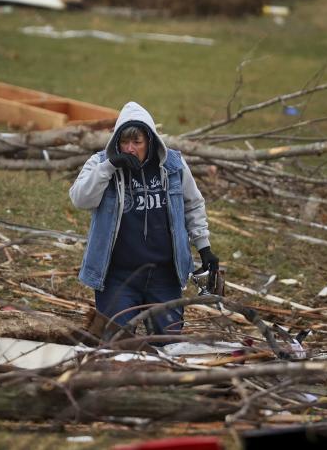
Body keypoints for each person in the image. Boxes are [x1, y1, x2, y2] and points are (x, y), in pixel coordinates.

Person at [70, 101, 217, 338]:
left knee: (167, 341)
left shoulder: (173, 165)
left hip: (164, 275)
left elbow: (193, 204)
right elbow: (80, 199)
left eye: (136, 142)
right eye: (124, 142)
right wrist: (109, 166)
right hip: (117, 276)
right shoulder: (100, 164)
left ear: (149, 141)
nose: (129, 149)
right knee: (115, 343)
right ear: (116, 142)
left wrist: (204, 247)